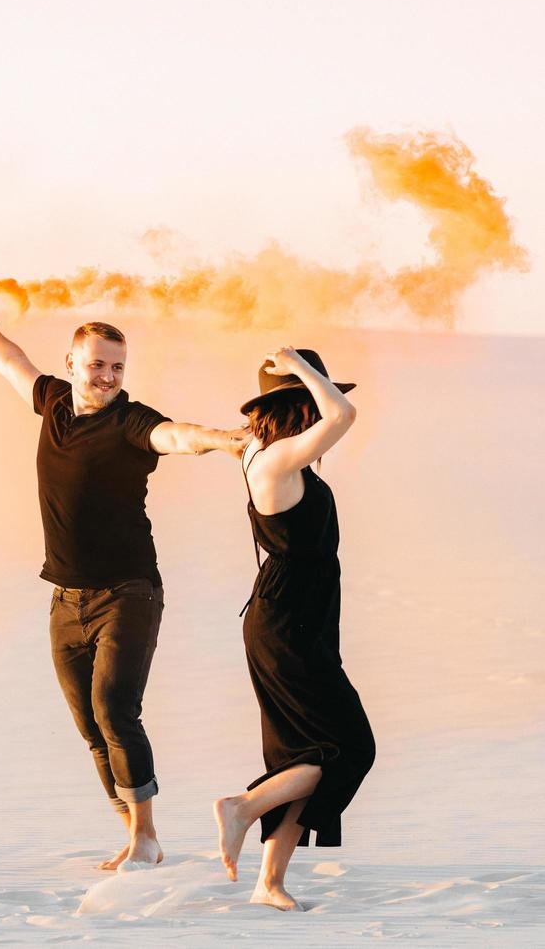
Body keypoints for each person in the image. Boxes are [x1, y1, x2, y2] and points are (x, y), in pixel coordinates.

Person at [0, 295, 246, 872]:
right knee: (91, 729)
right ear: (71, 364)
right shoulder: (54, 402)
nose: (108, 376)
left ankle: (145, 839)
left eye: (117, 366)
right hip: (65, 598)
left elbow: (175, 435)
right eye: (97, 365)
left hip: (128, 591)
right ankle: (137, 833)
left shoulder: (129, 421)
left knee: (114, 709)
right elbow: (9, 358)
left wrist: (222, 438)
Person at [213, 346, 375, 910]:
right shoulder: (277, 461)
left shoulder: (264, 452)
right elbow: (343, 417)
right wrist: (303, 371)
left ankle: (269, 883)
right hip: (289, 624)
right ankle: (242, 807)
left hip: (292, 618)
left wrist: (302, 377)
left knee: (300, 754)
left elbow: (332, 416)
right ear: (299, 403)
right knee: (351, 748)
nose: (322, 409)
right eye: (313, 399)